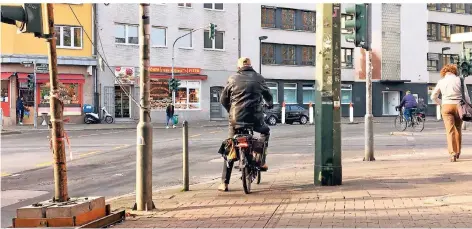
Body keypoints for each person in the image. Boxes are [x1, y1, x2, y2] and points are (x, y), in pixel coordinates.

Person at [218, 57, 274, 192]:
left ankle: (224, 183)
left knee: (231, 145)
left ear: (239, 68)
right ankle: (261, 160)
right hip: (255, 118)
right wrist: (270, 104)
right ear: (251, 66)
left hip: (236, 118)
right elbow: (268, 95)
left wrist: (231, 111)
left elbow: (223, 99)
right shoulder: (259, 78)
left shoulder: (232, 78)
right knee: (265, 132)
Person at [431, 64, 471, 162]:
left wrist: (441, 103)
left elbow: (433, 96)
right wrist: (469, 105)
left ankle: (452, 153)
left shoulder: (441, 81)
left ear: (444, 72)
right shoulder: (460, 80)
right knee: (458, 129)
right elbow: (466, 96)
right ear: (454, 71)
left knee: (450, 130)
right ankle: (458, 152)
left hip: (446, 106)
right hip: (459, 106)